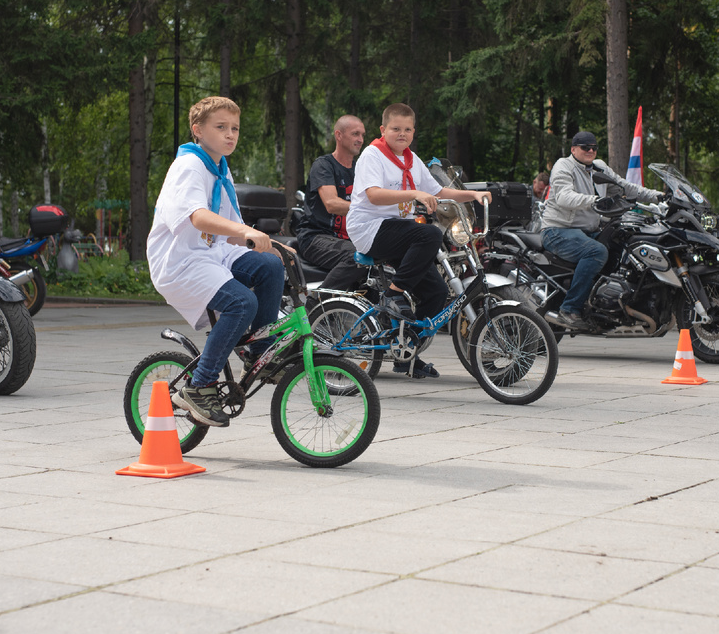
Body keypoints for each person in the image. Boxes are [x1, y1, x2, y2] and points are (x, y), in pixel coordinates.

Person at [147, 96, 284, 427]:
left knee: (270, 266)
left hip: (211, 253)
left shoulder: (219, 167)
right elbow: (198, 216)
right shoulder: (189, 167)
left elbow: (230, 232)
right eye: (220, 127)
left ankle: (257, 352)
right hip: (180, 260)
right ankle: (199, 386)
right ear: (198, 130)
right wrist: (244, 230)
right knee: (241, 302)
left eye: (235, 128)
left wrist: (268, 244)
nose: (230, 135)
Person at [346, 103, 490, 379]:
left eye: (407, 129)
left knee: (437, 292)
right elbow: (374, 195)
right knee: (431, 234)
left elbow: (438, 191)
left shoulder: (412, 159)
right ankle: (394, 294)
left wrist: (473, 195)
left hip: (398, 231)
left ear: (413, 131)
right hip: (369, 228)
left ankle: (406, 353)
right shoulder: (372, 155)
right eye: (396, 129)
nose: (402, 134)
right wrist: (414, 194)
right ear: (383, 130)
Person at [540, 130, 663, 329]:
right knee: (596, 251)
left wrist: (659, 196)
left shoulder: (599, 167)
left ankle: (606, 306)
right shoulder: (564, 165)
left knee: (624, 243)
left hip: (587, 231)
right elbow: (564, 197)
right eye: (585, 147)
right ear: (573, 149)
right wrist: (596, 201)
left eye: (594, 147)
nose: (590, 150)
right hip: (558, 230)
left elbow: (625, 187)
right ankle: (569, 309)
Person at [296, 115, 367, 291]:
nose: (360, 140)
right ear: (339, 135)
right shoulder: (324, 165)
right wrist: (370, 209)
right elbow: (332, 204)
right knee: (357, 257)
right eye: (355, 134)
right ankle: (315, 306)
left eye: (363, 135)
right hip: (316, 237)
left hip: (350, 237)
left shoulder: (361, 170)